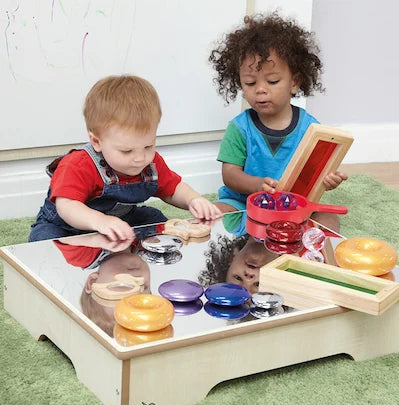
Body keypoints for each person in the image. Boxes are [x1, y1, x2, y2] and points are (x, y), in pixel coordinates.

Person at [29, 75, 221, 242]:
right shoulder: (78, 164)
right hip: (67, 228)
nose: (139, 158)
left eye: (148, 146)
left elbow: (172, 188)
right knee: (44, 240)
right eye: (126, 151)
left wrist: (193, 200)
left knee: (156, 220)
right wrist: (100, 222)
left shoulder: (151, 163)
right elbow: (67, 206)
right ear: (97, 141)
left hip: (121, 223)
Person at [208, 13, 347, 231]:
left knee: (327, 217)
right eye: (250, 82)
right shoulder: (239, 128)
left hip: (294, 207)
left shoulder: (311, 128)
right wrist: (256, 185)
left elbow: (313, 174)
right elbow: (230, 175)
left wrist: (327, 180)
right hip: (244, 203)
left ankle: (316, 256)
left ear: (295, 83)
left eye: (272, 81)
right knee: (212, 213)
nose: (261, 89)